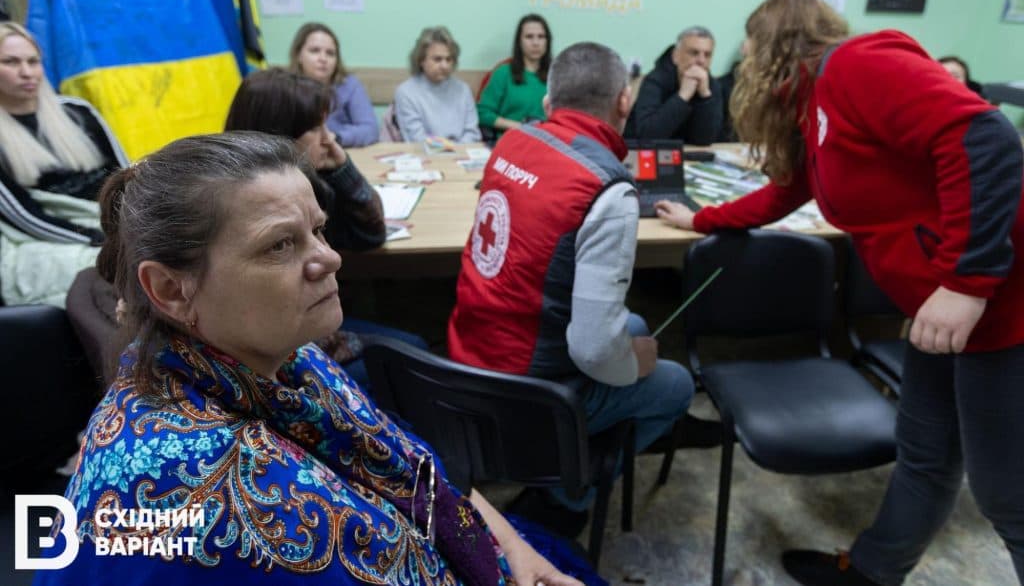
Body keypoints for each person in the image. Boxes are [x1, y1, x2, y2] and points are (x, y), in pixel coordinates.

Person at [37, 132, 586, 586]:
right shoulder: (198, 500)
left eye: (317, 230)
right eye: (280, 245)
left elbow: (410, 469)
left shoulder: (286, 357)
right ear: (171, 290)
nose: (329, 257)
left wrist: (510, 546)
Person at [655, 0, 1024, 586]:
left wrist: (966, 282)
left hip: (1000, 311)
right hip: (939, 314)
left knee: (1008, 497)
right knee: (926, 459)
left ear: (774, 46)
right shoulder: (815, 104)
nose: (745, 64)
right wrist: (698, 219)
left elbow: (986, 140)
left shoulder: (857, 66)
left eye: (750, 50)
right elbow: (787, 190)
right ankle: (872, 572)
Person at [449, 42, 701, 530]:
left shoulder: (512, 143)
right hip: (529, 390)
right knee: (675, 383)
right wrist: (634, 364)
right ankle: (565, 499)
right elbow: (591, 350)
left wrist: (624, 354)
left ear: (548, 103)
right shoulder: (608, 187)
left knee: (634, 324)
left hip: (467, 356)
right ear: (624, 101)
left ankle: (569, 452)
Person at [225, 68, 423, 388]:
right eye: (316, 128)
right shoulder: (252, 208)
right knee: (412, 354)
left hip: (309, 330)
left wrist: (342, 166)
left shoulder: (306, 183)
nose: (329, 138)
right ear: (280, 136)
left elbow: (370, 235)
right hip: (293, 353)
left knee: (410, 343)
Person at [0, 21, 126, 244]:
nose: (26, 73)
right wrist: (96, 241)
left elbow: (124, 174)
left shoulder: (79, 110)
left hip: (120, 219)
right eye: (10, 62)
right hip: (60, 239)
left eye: (33, 61)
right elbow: (24, 217)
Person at [623, 25, 723, 145]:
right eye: (694, 53)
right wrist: (682, 96)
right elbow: (647, 134)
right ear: (676, 56)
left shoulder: (711, 86)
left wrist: (705, 97)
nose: (701, 60)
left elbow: (706, 140)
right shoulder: (655, 80)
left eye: (707, 55)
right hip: (643, 156)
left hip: (688, 157)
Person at [288, 22, 379, 147]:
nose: (323, 58)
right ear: (299, 55)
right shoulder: (285, 87)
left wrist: (336, 138)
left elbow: (370, 130)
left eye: (330, 53)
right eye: (315, 51)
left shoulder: (349, 84)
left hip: (340, 151)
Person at [394, 26, 481, 143]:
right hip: (425, 156)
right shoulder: (406, 92)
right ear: (421, 60)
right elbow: (416, 138)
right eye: (437, 59)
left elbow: (472, 133)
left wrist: (457, 151)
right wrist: (447, 150)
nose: (444, 65)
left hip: (461, 155)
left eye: (449, 59)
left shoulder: (463, 89)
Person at [477, 13, 551, 139]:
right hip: (510, 142)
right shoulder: (503, 73)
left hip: (547, 143)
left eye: (541, 37)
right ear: (519, 41)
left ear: (547, 41)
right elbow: (482, 113)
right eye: (529, 37)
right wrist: (520, 127)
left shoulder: (556, 76)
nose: (535, 43)